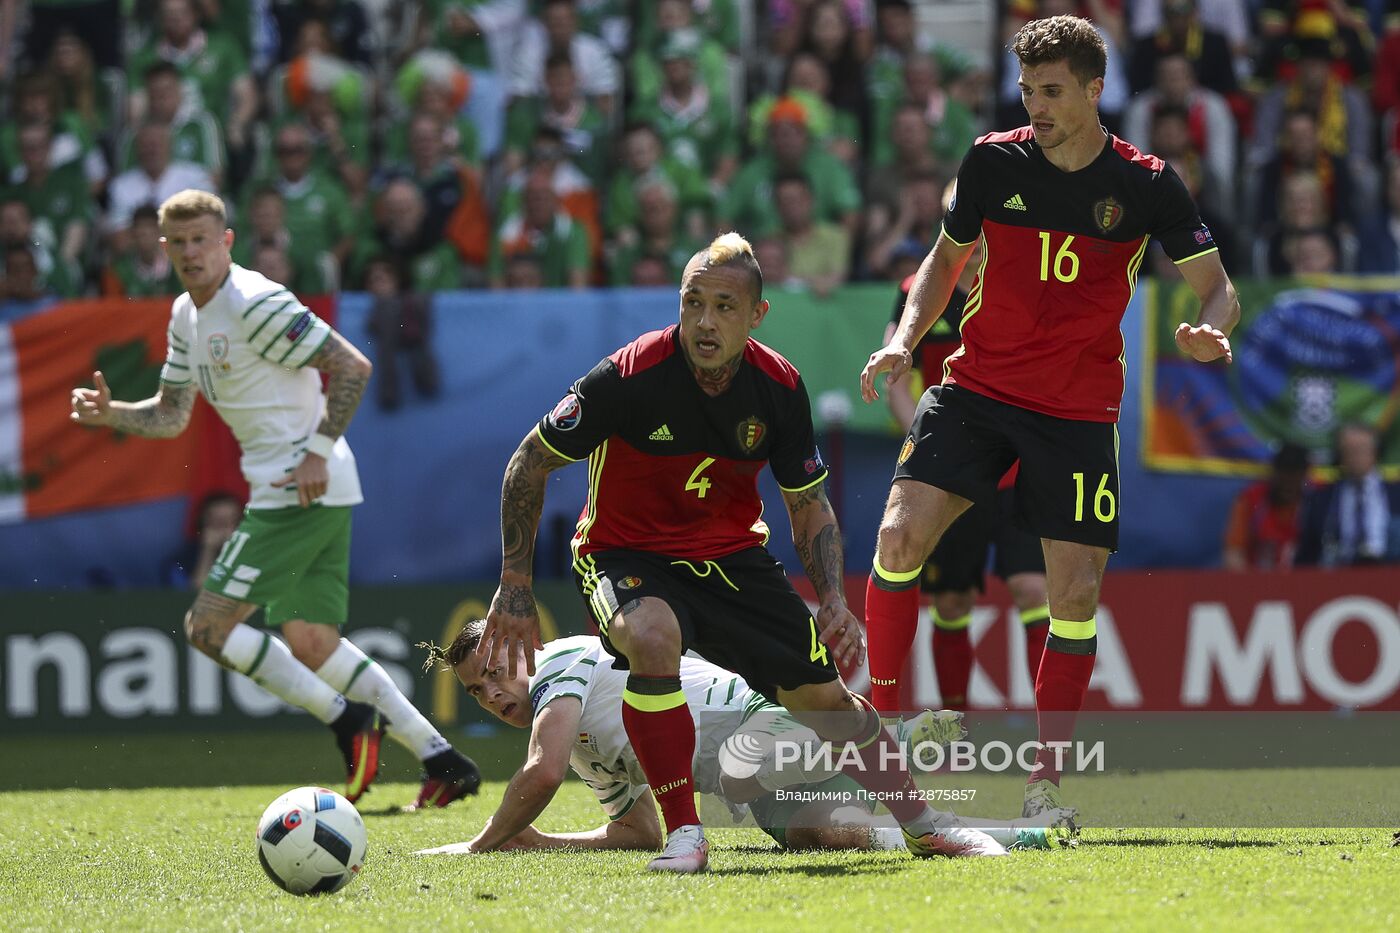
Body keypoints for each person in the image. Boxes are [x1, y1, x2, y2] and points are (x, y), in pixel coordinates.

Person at [481, 232, 1009, 873]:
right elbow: (527, 465)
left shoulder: (779, 388)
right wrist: (514, 584)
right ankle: (685, 836)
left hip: (732, 558)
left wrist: (835, 600)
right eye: (692, 302)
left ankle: (927, 829)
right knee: (651, 637)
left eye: (724, 306)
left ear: (757, 314)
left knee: (827, 703)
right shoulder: (628, 376)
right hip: (626, 553)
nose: (705, 321)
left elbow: (808, 506)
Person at [859, 15, 1239, 824]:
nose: (1036, 104)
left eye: (1053, 90)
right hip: (976, 389)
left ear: (1096, 90)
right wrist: (903, 342)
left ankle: (1044, 788)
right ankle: (883, 732)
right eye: (1029, 89)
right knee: (897, 538)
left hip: (1075, 410)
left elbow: (1217, 283)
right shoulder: (993, 162)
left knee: (1074, 593)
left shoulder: (1147, 184)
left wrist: (1215, 327)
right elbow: (942, 262)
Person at [69, 189, 480, 810]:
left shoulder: (255, 303)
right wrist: (113, 416)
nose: (190, 253)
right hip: (304, 485)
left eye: (201, 239)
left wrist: (315, 448)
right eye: (178, 243)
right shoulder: (185, 313)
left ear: (226, 241)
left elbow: (352, 365)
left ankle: (347, 721)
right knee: (312, 640)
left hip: (301, 484)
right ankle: (443, 760)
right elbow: (173, 414)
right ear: (165, 248)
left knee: (208, 627)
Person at [419, 625, 1071, 856]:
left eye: (497, 672)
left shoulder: (560, 662)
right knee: (832, 836)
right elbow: (639, 831)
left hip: (757, 726)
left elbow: (539, 772)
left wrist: (483, 844)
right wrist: (540, 840)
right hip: (762, 775)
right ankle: (1026, 831)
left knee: (732, 773)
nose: (494, 693)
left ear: (523, 651)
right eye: (477, 690)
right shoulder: (585, 738)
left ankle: (884, 730)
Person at [881, 252, 1050, 712]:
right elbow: (897, 378)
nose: (975, 252)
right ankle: (957, 731)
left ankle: (1049, 740)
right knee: (951, 602)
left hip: (1017, 470)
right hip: (952, 475)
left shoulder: (1019, 283)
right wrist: (921, 446)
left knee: (1034, 592)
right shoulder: (915, 290)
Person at [1297, 423, 1400, 568]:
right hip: (1340, 575)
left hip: (1390, 574)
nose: (1354, 457)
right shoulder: (1323, 498)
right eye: (1348, 451)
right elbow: (1308, 550)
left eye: (1360, 450)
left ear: (1375, 452)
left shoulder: (1396, 494)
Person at [1222, 443, 1310, 571]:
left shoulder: (1317, 502)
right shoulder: (1252, 499)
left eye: (1294, 474)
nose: (1288, 482)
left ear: (1304, 475)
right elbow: (1233, 553)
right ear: (1274, 472)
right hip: (1259, 582)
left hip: (1305, 583)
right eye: (1284, 473)